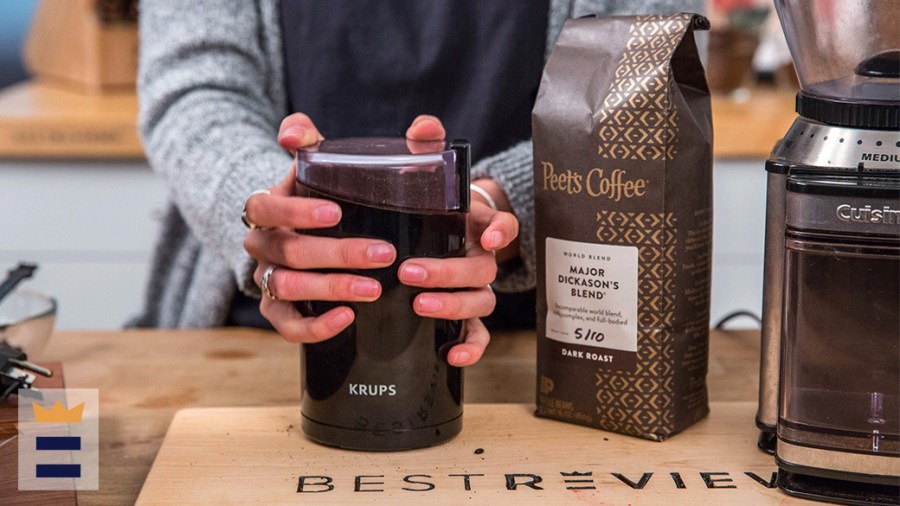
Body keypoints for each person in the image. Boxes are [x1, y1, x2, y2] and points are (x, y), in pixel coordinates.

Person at [133, 0, 702, 366]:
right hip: (264, 333)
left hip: (550, 347)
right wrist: (276, 209)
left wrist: (498, 205)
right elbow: (194, 90)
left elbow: (646, 96)